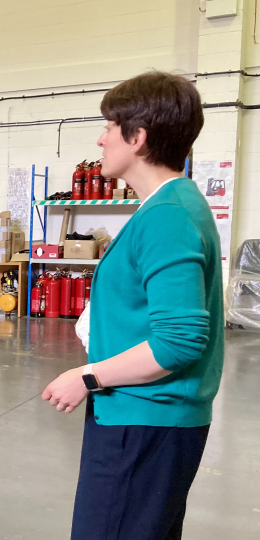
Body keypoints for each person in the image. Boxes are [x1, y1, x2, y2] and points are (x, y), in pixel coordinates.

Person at [42, 72, 224, 540]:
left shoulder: (169, 216)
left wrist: (86, 376)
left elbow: (177, 342)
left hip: (146, 420)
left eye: (108, 126)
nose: (101, 139)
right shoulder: (166, 205)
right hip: (140, 415)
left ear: (138, 137)